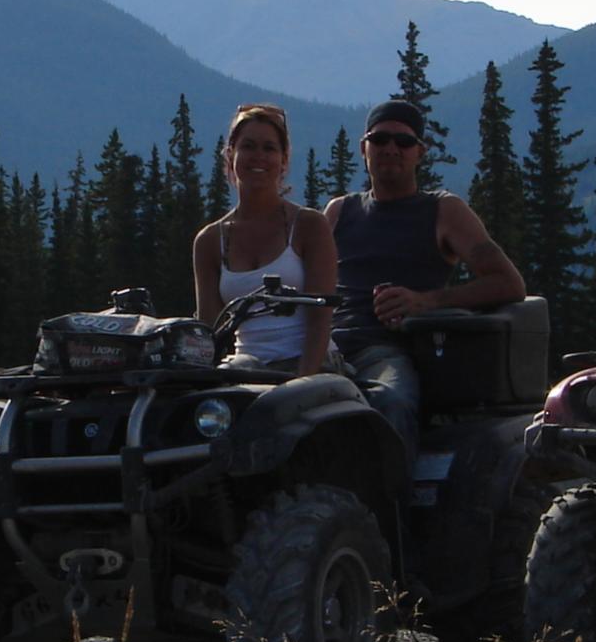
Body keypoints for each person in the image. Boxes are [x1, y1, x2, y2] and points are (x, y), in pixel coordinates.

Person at [324, 100, 525, 457]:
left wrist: (426, 302)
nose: (390, 148)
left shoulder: (443, 211)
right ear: (363, 148)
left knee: (391, 402)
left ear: (420, 152)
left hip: (387, 350)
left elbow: (508, 283)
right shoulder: (339, 211)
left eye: (403, 142)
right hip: (326, 347)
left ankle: (392, 493)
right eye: (380, 139)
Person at [193, 104, 339, 375]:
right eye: (248, 146)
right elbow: (210, 332)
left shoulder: (309, 225)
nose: (258, 156)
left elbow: (320, 323)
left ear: (284, 160)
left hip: (312, 367)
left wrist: (301, 382)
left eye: (269, 148)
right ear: (230, 155)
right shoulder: (210, 241)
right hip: (245, 369)